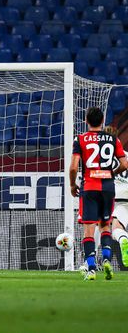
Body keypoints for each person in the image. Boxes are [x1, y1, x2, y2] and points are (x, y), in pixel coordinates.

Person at [70, 108, 128, 280]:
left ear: (86, 119)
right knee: (105, 227)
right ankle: (107, 260)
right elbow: (124, 164)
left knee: (89, 228)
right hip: (109, 188)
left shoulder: (80, 139)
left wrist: (73, 185)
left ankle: (91, 268)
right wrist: (112, 173)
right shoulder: (114, 141)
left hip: (90, 186)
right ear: (102, 120)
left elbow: (74, 167)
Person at [105, 126, 128, 267]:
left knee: (99, 228)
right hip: (125, 197)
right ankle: (123, 238)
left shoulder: (101, 157)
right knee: (115, 228)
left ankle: (90, 260)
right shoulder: (126, 155)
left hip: (108, 195)